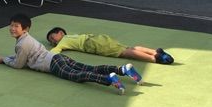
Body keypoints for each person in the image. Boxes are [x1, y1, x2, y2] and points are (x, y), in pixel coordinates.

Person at [0, 13, 142, 95]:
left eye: (16, 26)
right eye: (11, 25)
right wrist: (8, 58)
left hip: (53, 64)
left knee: (78, 76)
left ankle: (109, 79)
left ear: (25, 29)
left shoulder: (22, 44)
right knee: (88, 68)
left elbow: (19, 64)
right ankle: (122, 69)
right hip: (58, 58)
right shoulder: (27, 39)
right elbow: (22, 57)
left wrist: (6, 60)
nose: (12, 29)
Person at [45, 27, 174, 64]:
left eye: (52, 38)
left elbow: (54, 52)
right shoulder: (71, 36)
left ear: (60, 33)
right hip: (100, 38)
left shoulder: (63, 41)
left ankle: (154, 58)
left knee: (125, 53)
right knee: (128, 48)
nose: (53, 42)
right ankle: (154, 51)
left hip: (94, 44)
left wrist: (43, 54)